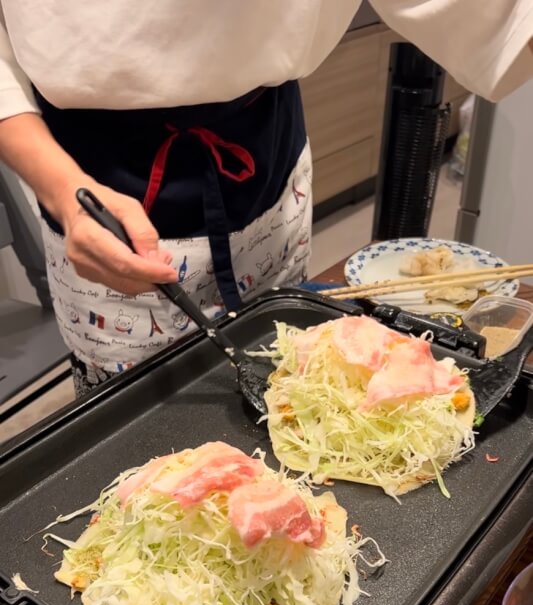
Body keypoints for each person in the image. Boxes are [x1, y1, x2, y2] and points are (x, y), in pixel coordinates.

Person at [0, 2, 532, 395]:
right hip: (94, 188)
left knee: (293, 378)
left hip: (266, 168)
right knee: (131, 424)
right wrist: (67, 199)